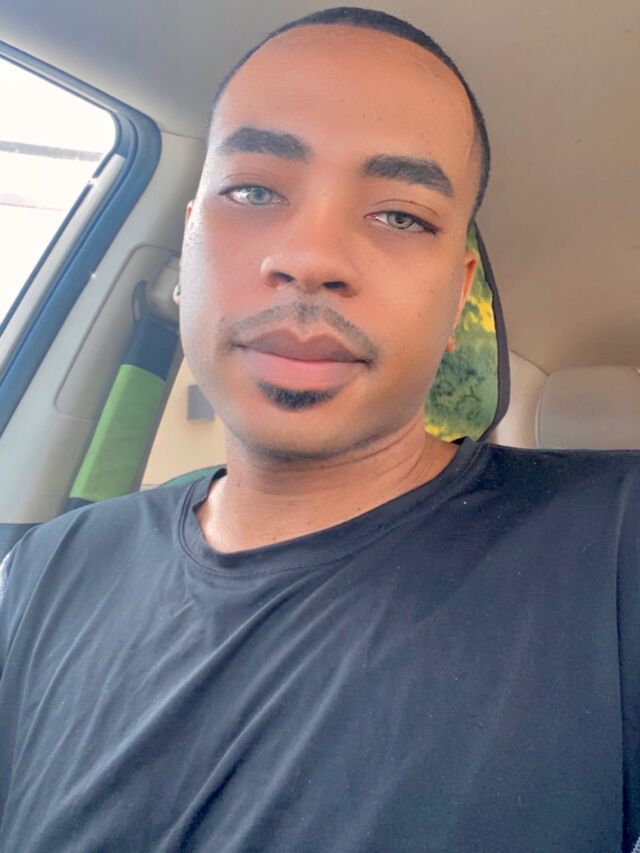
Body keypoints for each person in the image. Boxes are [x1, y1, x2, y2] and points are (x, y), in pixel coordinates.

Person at [1, 7, 638, 852]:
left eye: (401, 215)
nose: (310, 257)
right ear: (189, 241)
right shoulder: (44, 571)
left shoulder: (614, 548)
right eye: (254, 191)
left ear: (459, 295)